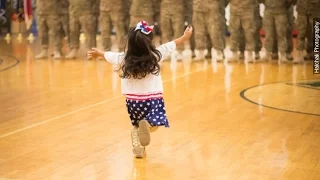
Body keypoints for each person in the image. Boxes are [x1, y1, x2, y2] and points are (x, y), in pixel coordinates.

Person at [87, 21, 193, 158]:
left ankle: (138, 147)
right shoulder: (156, 55)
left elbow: (110, 55)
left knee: (137, 125)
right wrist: (184, 37)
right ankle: (147, 125)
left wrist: (100, 53)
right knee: (154, 123)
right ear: (149, 41)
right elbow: (171, 45)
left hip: (133, 102)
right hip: (152, 99)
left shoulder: (123, 59)